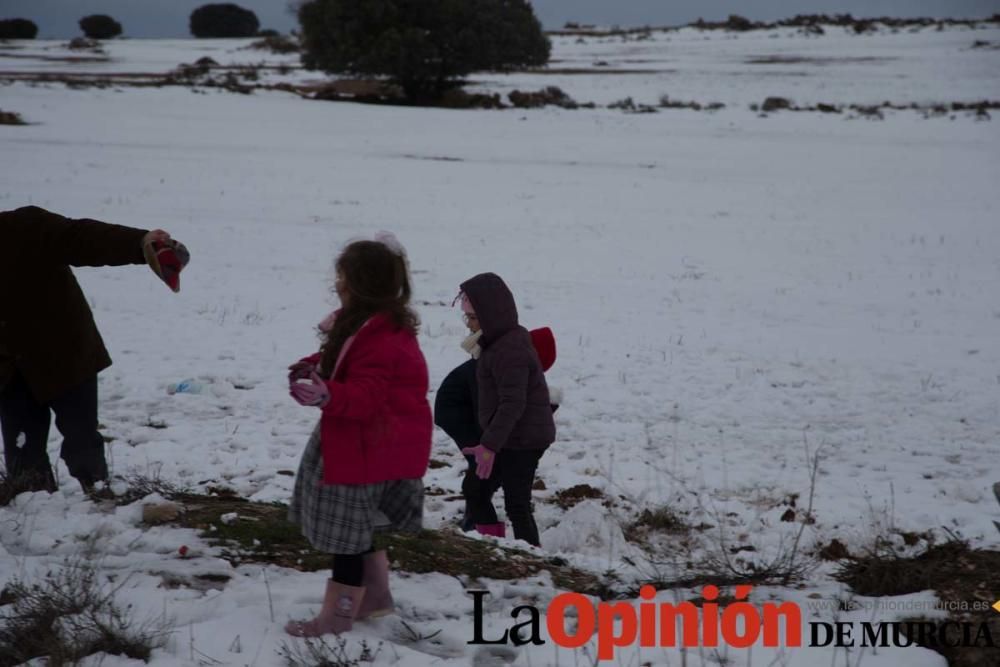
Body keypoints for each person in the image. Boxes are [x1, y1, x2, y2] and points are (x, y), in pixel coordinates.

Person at [285, 233, 432, 637]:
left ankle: (337, 618)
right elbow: (343, 360)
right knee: (360, 529)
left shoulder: (382, 339)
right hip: (364, 447)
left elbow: (366, 395)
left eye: (343, 277)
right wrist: (313, 365)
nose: (337, 284)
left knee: (347, 540)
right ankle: (375, 599)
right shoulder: (365, 326)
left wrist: (328, 393)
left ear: (361, 285)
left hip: (367, 451)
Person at [0, 205, 189, 494]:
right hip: (10, 368)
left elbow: (87, 238)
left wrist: (141, 244)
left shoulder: (27, 226)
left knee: (82, 441)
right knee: (22, 456)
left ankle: (97, 496)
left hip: (65, 354)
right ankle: (33, 511)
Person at [434, 305, 557, 533]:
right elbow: (496, 408)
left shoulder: (510, 361)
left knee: (487, 480)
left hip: (471, 413)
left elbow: (516, 405)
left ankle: (483, 528)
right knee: (481, 475)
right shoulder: (494, 366)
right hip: (456, 413)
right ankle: (477, 526)